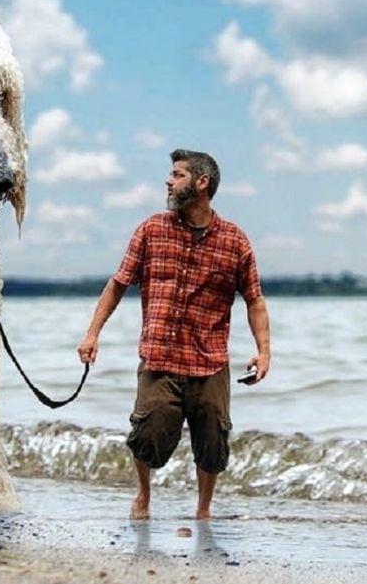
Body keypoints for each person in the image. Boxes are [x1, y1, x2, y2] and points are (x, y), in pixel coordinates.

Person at [77, 149, 270, 521]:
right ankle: (143, 496)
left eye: (177, 174)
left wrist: (264, 352)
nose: (168, 181)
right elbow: (117, 284)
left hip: (210, 362)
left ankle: (203, 511)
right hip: (159, 358)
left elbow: (255, 301)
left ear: (202, 183)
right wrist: (92, 334)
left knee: (213, 442)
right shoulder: (151, 230)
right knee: (146, 433)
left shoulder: (235, 241)